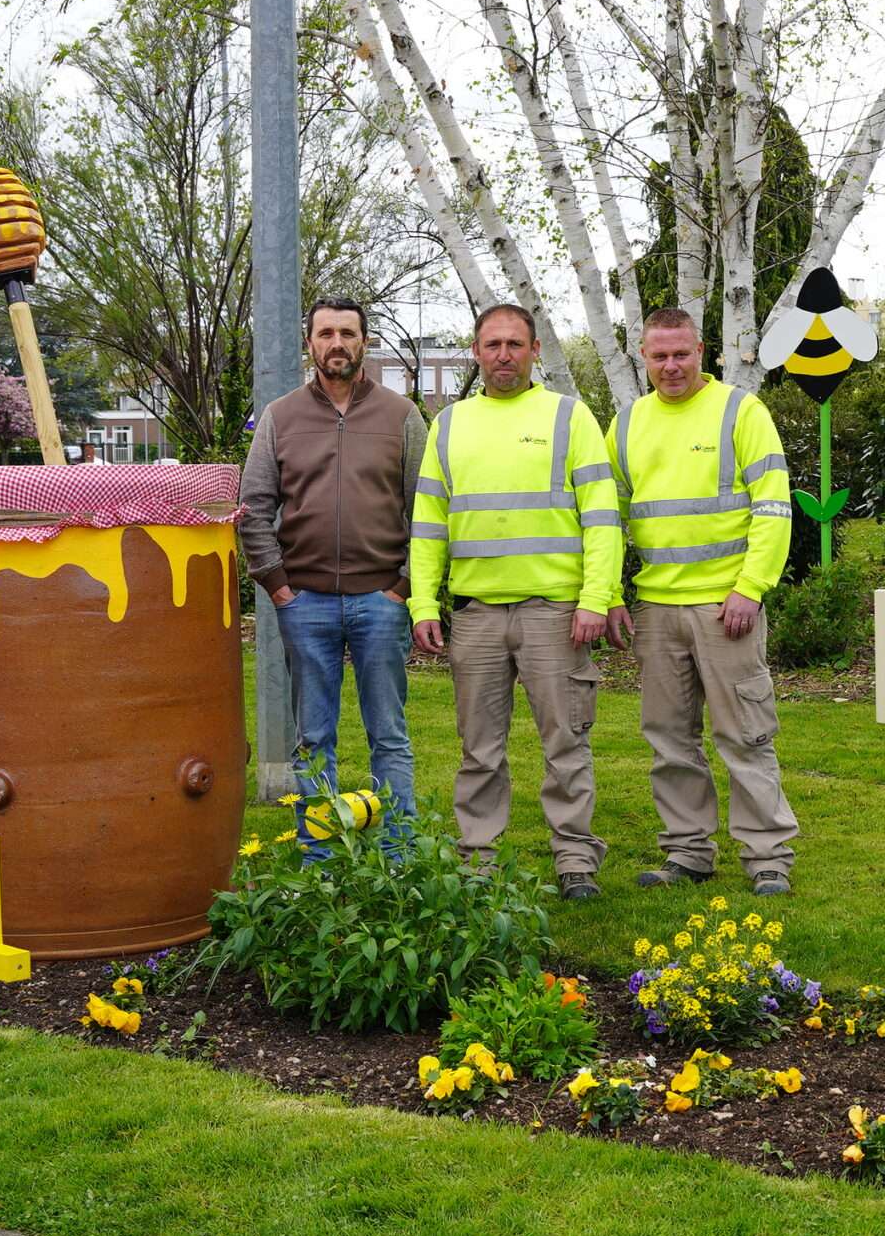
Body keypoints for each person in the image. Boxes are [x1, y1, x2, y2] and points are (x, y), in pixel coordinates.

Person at [409, 305, 623, 897]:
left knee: (566, 742)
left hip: (554, 613)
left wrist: (595, 599)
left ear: (534, 351)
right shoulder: (448, 425)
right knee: (478, 749)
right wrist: (423, 604)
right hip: (476, 613)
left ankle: (575, 860)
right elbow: (428, 524)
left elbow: (602, 520)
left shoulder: (568, 417)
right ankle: (477, 858)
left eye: (514, 344)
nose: (503, 355)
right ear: (475, 352)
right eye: (492, 344)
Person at [608, 308, 799, 895]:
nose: (671, 366)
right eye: (659, 356)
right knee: (669, 740)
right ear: (644, 358)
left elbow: (773, 507)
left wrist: (750, 588)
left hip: (726, 608)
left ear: (703, 352)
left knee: (745, 735)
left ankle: (767, 857)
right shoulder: (627, 423)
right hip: (657, 610)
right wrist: (611, 594)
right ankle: (688, 851)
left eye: (681, 354)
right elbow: (607, 519)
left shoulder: (742, 412)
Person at [238, 296, 426, 858]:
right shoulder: (281, 417)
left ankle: (398, 853)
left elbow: (429, 510)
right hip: (306, 602)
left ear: (364, 341)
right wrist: (278, 586)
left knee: (388, 735)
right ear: (310, 343)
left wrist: (404, 587)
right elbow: (253, 506)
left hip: (381, 600)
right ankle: (321, 853)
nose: (336, 343)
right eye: (326, 333)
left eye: (347, 332)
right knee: (313, 738)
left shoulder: (401, 415)